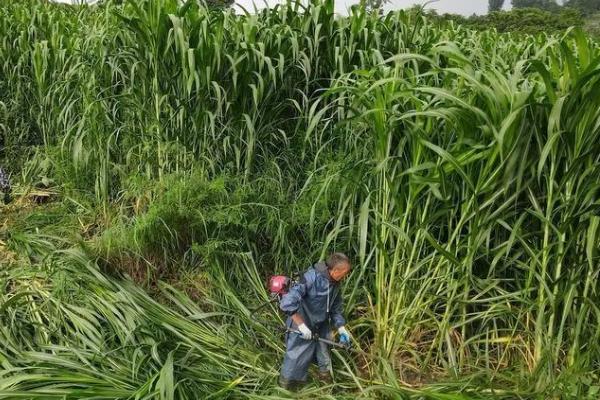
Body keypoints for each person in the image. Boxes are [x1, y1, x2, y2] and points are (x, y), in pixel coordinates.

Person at [278, 252, 352, 390]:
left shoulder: (335, 283)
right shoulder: (311, 278)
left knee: (324, 353)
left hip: (321, 324)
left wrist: (341, 327)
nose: (346, 276)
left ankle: (325, 384)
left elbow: (336, 308)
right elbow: (287, 302)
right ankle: (286, 389)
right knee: (295, 356)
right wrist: (301, 325)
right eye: (344, 272)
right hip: (302, 322)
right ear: (335, 270)